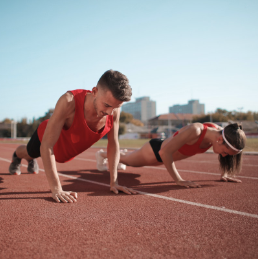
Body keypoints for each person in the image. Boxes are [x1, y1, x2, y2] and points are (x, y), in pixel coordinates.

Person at [9, 69, 137, 203]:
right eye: (106, 105)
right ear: (94, 92)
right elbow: (47, 145)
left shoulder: (113, 109)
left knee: (38, 155)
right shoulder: (69, 101)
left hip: (67, 152)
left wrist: (114, 182)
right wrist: (56, 189)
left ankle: (29, 159)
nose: (110, 112)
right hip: (47, 137)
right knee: (30, 152)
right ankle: (17, 156)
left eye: (115, 107)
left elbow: (113, 143)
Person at [96, 122, 246, 188]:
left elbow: (226, 153)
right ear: (220, 140)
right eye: (226, 152)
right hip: (155, 151)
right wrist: (179, 180)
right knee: (128, 162)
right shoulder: (196, 131)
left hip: (165, 157)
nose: (225, 156)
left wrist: (224, 173)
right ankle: (102, 155)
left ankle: (120, 155)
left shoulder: (219, 133)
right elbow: (164, 152)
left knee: (128, 161)